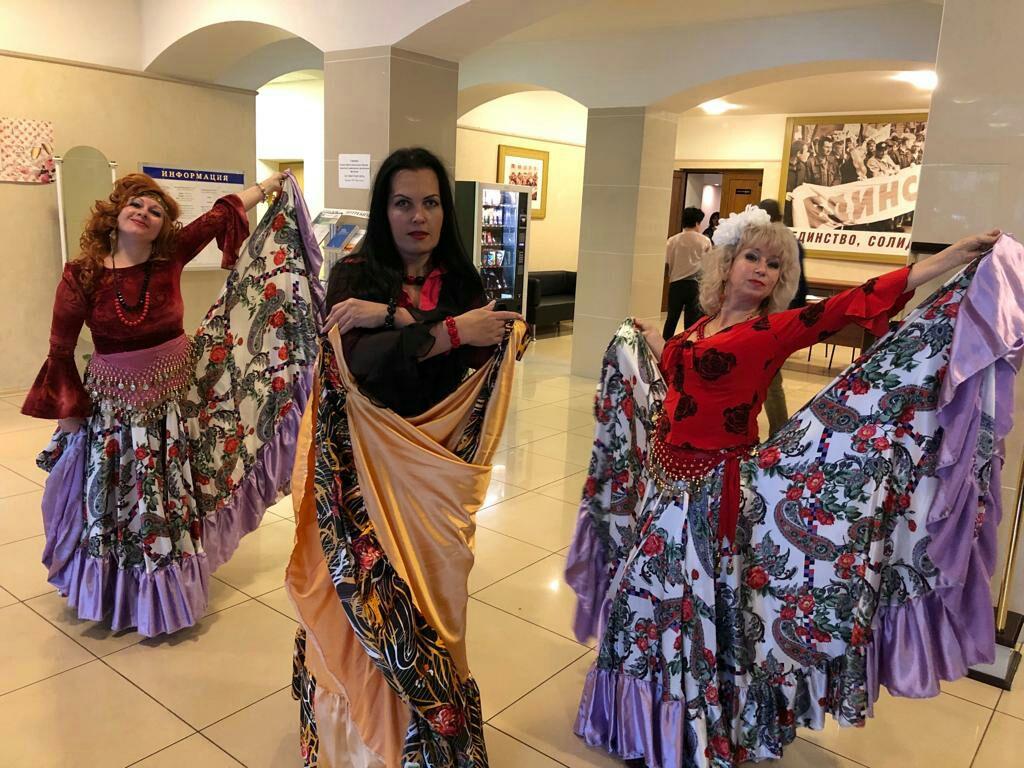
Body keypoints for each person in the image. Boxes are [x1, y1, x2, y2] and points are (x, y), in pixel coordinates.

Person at [565, 204, 1005, 767]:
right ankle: (642, 718)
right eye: (752, 257)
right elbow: (679, 367)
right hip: (665, 485)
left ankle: (689, 729)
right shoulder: (700, 327)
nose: (762, 270)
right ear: (726, 263)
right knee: (644, 597)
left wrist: (948, 258)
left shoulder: (771, 330)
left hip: (712, 493)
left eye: (774, 265)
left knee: (690, 608)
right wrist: (651, 338)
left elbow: (853, 303)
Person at [285, 147, 525, 768]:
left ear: (446, 210)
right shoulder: (354, 275)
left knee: (433, 600)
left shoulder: (465, 281)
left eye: (431, 202)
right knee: (361, 600)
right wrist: (446, 330)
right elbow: (364, 364)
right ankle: (364, 749)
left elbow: (489, 345)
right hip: (362, 471)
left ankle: (429, 741)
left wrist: (399, 321)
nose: (418, 216)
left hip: (437, 472)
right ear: (382, 210)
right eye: (402, 203)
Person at [22, 170, 322, 636]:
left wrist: (268, 186)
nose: (144, 213)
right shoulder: (81, 274)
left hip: (174, 407)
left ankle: (166, 595)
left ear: (164, 226)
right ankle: (117, 595)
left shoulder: (171, 256)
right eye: (135, 205)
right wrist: (69, 414)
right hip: (115, 412)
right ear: (114, 214)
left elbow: (221, 213)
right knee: (119, 501)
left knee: (169, 500)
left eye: (156, 211)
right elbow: (60, 349)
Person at [756, 199, 807, 437]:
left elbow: (793, 284)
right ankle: (778, 429)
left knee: (771, 379)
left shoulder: (779, 243)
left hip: (771, 318)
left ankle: (779, 431)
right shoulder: (788, 241)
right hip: (773, 317)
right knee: (767, 377)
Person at [663, 206, 711, 339]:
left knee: (671, 320)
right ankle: (687, 345)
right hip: (695, 285)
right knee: (691, 322)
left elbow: (667, 262)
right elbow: (708, 264)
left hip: (676, 284)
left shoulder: (672, 240)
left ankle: (664, 346)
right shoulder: (705, 241)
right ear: (697, 222)